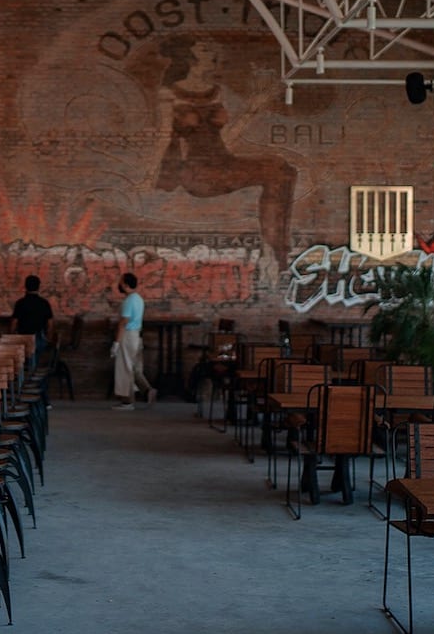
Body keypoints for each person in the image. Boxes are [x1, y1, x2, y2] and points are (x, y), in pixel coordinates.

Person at [153, 34, 298, 281]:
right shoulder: (169, 94)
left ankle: (273, 249)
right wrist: (150, 174)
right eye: (204, 49)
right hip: (198, 172)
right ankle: (274, 253)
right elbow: (163, 137)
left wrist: (254, 107)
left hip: (224, 161)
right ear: (190, 58)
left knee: (284, 168)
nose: (212, 53)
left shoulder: (216, 92)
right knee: (276, 171)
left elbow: (226, 136)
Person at [110, 272, 154, 410]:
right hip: (136, 335)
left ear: (126, 284)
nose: (119, 284)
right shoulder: (138, 299)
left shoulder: (128, 301)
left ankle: (127, 401)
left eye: (121, 282)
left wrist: (116, 343)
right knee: (134, 368)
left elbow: (123, 323)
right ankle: (147, 390)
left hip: (128, 336)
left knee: (125, 368)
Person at [11, 274, 55, 402]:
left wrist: (11, 338)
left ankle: (23, 397)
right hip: (39, 339)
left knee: (21, 368)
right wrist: (48, 340)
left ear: (25, 287)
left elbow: (13, 324)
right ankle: (41, 399)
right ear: (39, 287)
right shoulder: (44, 303)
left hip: (22, 341)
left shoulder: (20, 303)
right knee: (36, 370)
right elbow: (50, 325)